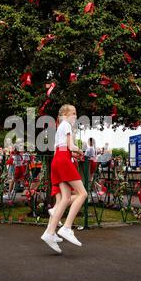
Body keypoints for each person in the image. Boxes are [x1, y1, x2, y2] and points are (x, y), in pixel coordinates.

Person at [41, 104, 87, 254]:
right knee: (82, 194)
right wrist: (80, 150)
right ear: (65, 115)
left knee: (66, 197)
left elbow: (63, 149)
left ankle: (49, 232)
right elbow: (71, 145)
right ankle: (67, 227)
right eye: (73, 113)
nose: (75, 115)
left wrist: (74, 154)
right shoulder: (66, 125)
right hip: (62, 161)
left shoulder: (60, 127)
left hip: (58, 160)